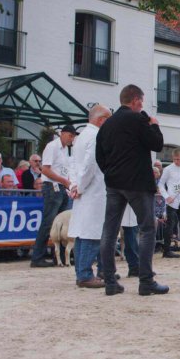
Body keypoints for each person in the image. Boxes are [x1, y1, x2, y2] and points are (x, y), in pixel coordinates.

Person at [96, 84, 168, 296]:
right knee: (146, 228)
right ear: (136, 100)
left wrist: (111, 173)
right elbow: (157, 144)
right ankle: (146, 281)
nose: (142, 105)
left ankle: (110, 281)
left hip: (114, 184)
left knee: (109, 231)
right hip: (137, 183)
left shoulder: (107, 125)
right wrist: (154, 125)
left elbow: (100, 156)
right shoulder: (138, 119)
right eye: (142, 101)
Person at [66, 105, 111, 288]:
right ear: (101, 120)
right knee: (91, 234)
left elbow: (74, 165)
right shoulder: (95, 136)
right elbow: (90, 166)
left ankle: (82, 272)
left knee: (82, 234)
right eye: (108, 119)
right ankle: (85, 274)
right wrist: (81, 187)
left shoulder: (81, 136)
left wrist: (73, 185)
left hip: (83, 191)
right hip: (93, 192)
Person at [31, 125, 76, 268]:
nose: (72, 138)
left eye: (73, 136)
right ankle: (37, 256)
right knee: (49, 222)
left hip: (61, 187)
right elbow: (45, 169)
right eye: (70, 135)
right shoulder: (52, 146)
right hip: (52, 186)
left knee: (61, 223)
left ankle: (61, 257)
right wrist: (64, 181)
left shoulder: (64, 150)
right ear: (62, 134)